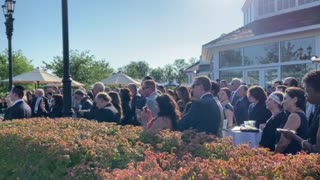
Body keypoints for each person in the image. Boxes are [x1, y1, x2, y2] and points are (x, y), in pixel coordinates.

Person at [280, 71, 320, 153]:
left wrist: (294, 136)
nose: (305, 94)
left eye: (308, 91)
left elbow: (317, 149)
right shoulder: (317, 109)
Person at [275, 87, 308, 154]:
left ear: (295, 100)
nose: (282, 102)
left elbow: (283, 143)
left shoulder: (294, 116)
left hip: (290, 157)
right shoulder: (300, 114)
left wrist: (274, 156)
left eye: (285, 98)